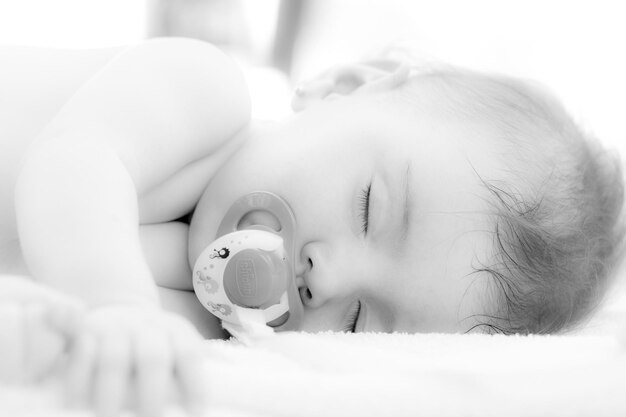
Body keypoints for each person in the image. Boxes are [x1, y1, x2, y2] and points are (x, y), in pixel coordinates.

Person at [0, 37, 623, 416]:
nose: (327, 279)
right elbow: (74, 161)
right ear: (344, 87)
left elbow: (74, 319)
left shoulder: (216, 317)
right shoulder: (203, 91)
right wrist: (117, 304)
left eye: (357, 319)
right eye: (368, 208)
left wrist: (64, 335)